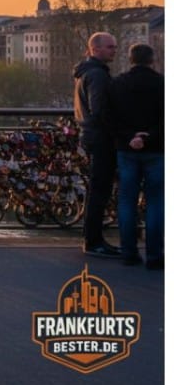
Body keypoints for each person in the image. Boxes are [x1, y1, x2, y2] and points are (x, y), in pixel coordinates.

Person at [108, 43, 163, 269]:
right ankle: (155, 255)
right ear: (152, 60)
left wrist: (131, 137)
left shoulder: (117, 84)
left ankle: (129, 253)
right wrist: (147, 137)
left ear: (130, 59)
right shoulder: (162, 83)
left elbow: (110, 118)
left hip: (127, 148)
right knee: (156, 202)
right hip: (156, 149)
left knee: (127, 201)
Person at [73, 31, 120, 258]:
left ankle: (92, 239)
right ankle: (94, 241)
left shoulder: (86, 72)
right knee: (99, 190)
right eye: (110, 47)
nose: (114, 51)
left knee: (96, 190)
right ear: (95, 49)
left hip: (90, 135)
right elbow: (99, 109)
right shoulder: (98, 75)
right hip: (101, 138)